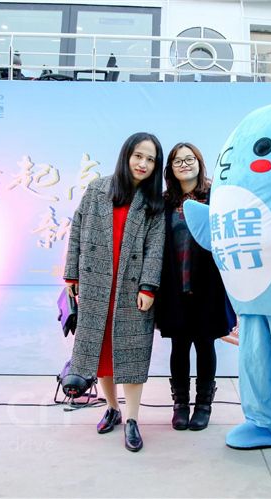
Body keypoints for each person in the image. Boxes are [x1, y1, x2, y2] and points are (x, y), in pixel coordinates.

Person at [63, 132, 165, 452]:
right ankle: (112, 408)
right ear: (126, 156)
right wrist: (71, 274)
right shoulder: (98, 189)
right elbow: (76, 231)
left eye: (150, 159)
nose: (143, 164)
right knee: (101, 352)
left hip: (132, 289)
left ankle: (132, 419)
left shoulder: (153, 202)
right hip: (96, 285)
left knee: (132, 353)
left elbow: (155, 249)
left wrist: (148, 286)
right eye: (139, 156)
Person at [156, 142, 234, 431]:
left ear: (200, 163)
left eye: (190, 159)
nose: (185, 164)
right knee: (179, 345)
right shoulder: (164, 202)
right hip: (174, 285)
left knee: (204, 344)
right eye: (178, 161)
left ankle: (203, 405)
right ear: (171, 169)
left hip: (208, 285)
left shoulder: (216, 196)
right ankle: (180, 405)